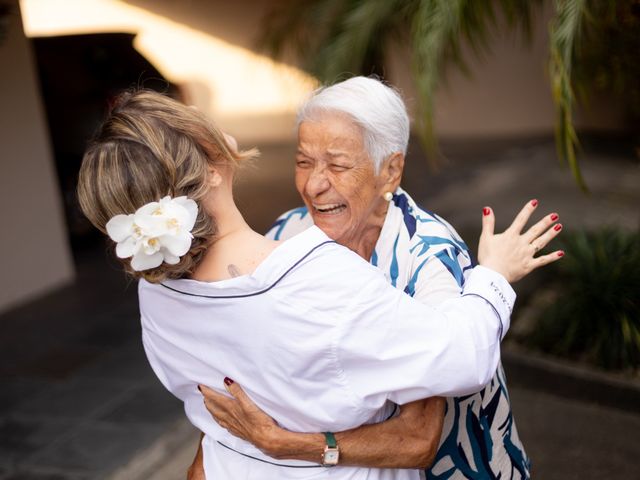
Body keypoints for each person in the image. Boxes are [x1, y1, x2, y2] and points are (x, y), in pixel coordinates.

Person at [77, 89, 562, 480]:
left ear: (391, 168)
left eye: (337, 163)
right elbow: (462, 356)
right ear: (208, 163)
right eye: (304, 161)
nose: (313, 184)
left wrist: (280, 442)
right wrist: (495, 274)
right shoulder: (311, 271)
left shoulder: (155, 288)